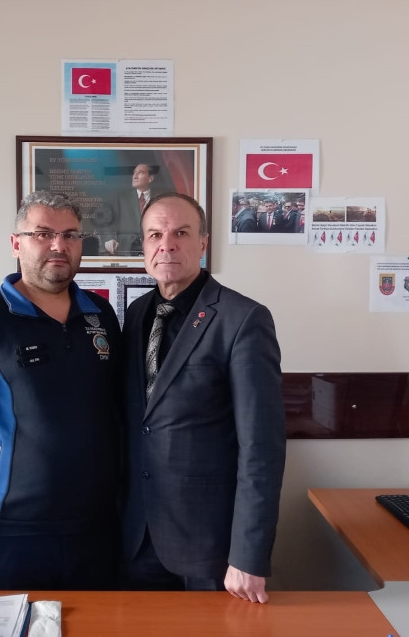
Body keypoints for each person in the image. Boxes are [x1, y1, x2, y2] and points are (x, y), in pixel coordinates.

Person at [0, 191, 122, 591]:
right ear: (16, 243)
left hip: (98, 532)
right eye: (43, 234)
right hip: (11, 536)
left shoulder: (100, 315)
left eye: (70, 235)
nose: (58, 245)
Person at [121, 193, 286, 603]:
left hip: (211, 548)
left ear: (203, 243)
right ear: (143, 246)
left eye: (180, 233)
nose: (166, 245)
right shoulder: (137, 314)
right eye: (155, 235)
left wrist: (248, 555)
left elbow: (261, 448)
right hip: (138, 537)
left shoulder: (242, 319)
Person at [103, 163, 165, 255]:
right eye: (134, 173)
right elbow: (107, 222)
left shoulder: (161, 199)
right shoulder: (122, 199)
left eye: (140, 173)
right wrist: (110, 239)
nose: (134, 177)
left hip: (155, 251)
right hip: (127, 252)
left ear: (150, 178)